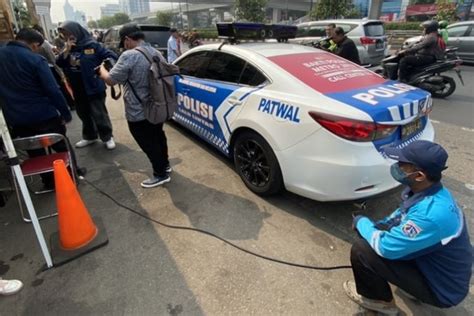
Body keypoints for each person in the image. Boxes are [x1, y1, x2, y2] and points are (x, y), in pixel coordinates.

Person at [345, 140, 472, 314]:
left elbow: (385, 247)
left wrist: (362, 223)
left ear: (419, 175)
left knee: (363, 250)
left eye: (402, 165)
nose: (396, 166)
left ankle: (380, 303)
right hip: (434, 266)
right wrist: (379, 226)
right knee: (377, 234)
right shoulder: (430, 192)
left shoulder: (431, 214)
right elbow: (400, 215)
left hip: (442, 290)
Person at [0, 29, 83, 190]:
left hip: (15, 118)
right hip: (43, 115)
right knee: (60, 145)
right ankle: (71, 175)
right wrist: (65, 113)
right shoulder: (35, 59)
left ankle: (49, 181)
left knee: (33, 149)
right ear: (33, 44)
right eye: (37, 46)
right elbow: (53, 89)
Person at [98, 23, 172, 188]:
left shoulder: (129, 55)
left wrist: (102, 70)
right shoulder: (156, 52)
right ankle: (165, 165)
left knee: (146, 141)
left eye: (123, 43)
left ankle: (160, 174)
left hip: (138, 109)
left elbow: (111, 80)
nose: (124, 46)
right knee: (158, 136)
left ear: (127, 39)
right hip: (156, 105)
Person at [57, 21, 117, 150]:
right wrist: (66, 51)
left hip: (93, 85)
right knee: (83, 113)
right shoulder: (68, 47)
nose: (67, 36)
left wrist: (104, 68)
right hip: (77, 87)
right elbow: (60, 63)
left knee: (99, 113)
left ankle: (107, 136)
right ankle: (90, 136)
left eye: (68, 33)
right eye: (64, 34)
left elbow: (111, 56)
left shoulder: (93, 45)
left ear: (76, 31)